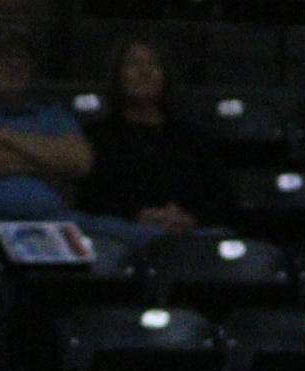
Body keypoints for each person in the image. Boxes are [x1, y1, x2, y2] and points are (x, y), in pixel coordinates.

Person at [0, 25, 92, 371]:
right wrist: (44, 159)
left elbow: (79, 162)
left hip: (56, 224)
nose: (14, 63)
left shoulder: (53, 115)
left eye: (21, 56)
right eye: (3, 55)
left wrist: (7, 139)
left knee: (151, 242)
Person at [77, 36, 222, 237]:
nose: (144, 72)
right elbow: (89, 200)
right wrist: (139, 215)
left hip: (191, 234)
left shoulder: (193, 138)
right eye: (133, 64)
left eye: (153, 64)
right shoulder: (96, 136)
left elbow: (220, 198)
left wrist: (189, 218)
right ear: (117, 76)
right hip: (122, 234)